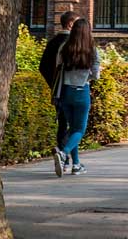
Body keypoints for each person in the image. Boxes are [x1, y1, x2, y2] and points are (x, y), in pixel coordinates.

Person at [52, 19, 100, 177]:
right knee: (79, 129)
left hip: (65, 92)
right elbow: (96, 75)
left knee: (72, 128)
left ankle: (76, 164)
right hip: (81, 91)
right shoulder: (91, 50)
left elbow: (58, 66)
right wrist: (87, 77)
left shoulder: (64, 47)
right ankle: (63, 153)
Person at [39, 11, 76, 174]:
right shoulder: (72, 43)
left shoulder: (52, 42)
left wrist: (53, 84)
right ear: (70, 24)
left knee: (62, 122)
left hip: (57, 90)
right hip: (72, 88)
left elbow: (42, 67)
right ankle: (64, 155)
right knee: (75, 125)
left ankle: (65, 157)